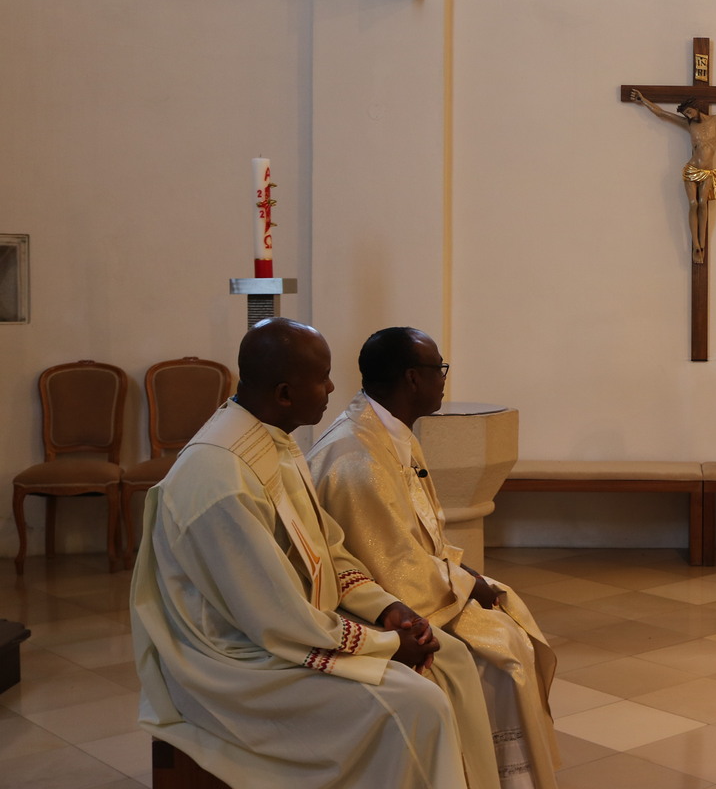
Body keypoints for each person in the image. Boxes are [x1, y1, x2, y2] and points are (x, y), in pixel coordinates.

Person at [130, 317, 489, 789]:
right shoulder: (222, 478)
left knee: (452, 657)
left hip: (277, 629)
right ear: (284, 393)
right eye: (323, 377)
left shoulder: (272, 440)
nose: (333, 388)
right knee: (417, 705)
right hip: (229, 663)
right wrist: (386, 645)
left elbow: (325, 546)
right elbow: (272, 615)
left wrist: (387, 608)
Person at [308, 327, 560, 789]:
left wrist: (460, 571)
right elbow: (390, 566)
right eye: (438, 369)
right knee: (505, 657)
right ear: (412, 378)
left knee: (509, 622)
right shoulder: (356, 459)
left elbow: (418, 537)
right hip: (378, 605)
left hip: (417, 587)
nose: (444, 379)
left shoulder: (387, 432)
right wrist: (464, 583)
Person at [630, 83, 716, 263]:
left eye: (689, 112)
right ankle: (695, 243)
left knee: (703, 204)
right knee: (693, 203)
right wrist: (643, 100)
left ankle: (701, 244)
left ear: (696, 108)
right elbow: (662, 113)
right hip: (692, 169)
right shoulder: (688, 125)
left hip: (707, 171)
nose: (688, 116)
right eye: (686, 114)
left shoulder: (714, 121)